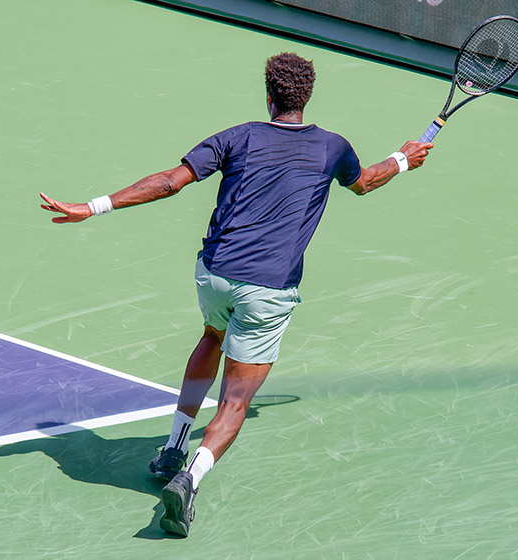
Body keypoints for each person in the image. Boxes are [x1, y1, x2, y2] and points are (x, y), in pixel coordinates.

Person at [40, 52, 432, 537]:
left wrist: (92, 206)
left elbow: (168, 183)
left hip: (215, 277)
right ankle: (190, 477)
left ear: (269, 96)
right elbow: (366, 183)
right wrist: (403, 159)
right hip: (268, 291)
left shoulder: (237, 136)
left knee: (211, 336)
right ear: (306, 97)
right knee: (236, 400)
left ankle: (171, 449)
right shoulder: (333, 148)